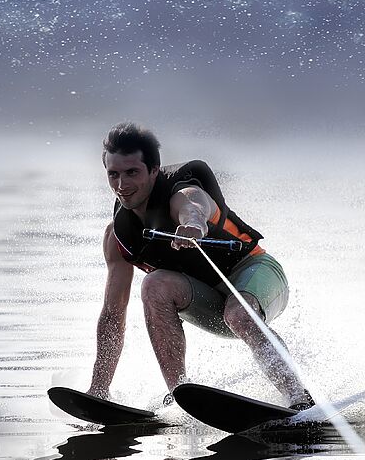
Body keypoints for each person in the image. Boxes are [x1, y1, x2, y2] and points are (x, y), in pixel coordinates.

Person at [86, 122, 313, 411]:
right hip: (207, 302)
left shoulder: (181, 189)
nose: (122, 185)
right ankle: (179, 396)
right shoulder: (118, 235)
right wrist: (98, 391)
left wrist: (193, 225)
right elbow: (112, 316)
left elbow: (194, 205)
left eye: (132, 173)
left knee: (239, 313)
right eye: (113, 174)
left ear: (154, 170)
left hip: (256, 274)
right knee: (154, 284)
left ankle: (300, 399)